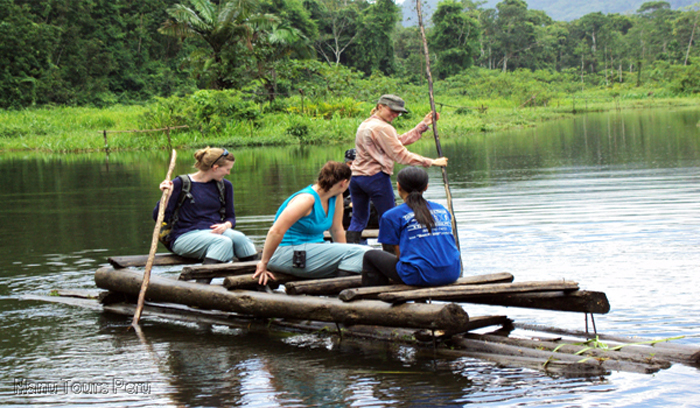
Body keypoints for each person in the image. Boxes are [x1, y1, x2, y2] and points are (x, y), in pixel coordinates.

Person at [346, 94, 448, 247]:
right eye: (392, 111)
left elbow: (397, 142)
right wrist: (431, 162)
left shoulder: (367, 124)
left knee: (358, 219)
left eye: (398, 112)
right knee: (388, 217)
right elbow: (400, 155)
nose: (395, 115)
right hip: (375, 178)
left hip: (357, 178)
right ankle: (391, 256)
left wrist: (423, 125)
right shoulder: (382, 127)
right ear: (380, 107)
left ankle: (353, 252)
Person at [253, 161, 372, 285]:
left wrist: (345, 250)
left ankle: (336, 291)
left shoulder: (336, 196)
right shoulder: (306, 200)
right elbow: (275, 231)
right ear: (344, 183)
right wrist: (263, 263)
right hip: (285, 253)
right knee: (362, 253)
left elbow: (336, 229)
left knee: (363, 255)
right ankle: (337, 291)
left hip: (312, 248)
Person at [154, 147, 258, 269]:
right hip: (184, 236)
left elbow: (231, 218)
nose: (228, 173)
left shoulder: (225, 186)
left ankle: (258, 282)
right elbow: (158, 217)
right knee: (223, 243)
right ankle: (201, 283)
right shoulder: (180, 183)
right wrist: (167, 196)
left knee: (240, 238)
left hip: (215, 233)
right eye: (227, 169)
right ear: (215, 167)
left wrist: (226, 225)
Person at [361, 167, 461, 287]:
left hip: (419, 276)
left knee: (370, 256)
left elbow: (401, 256)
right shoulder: (441, 210)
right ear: (426, 187)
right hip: (453, 272)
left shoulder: (391, 215)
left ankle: (375, 300)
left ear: (398, 187)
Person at [342, 148, 379, 231]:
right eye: (350, 163)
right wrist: (348, 203)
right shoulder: (339, 180)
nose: (354, 167)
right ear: (345, 164)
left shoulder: (375, 178)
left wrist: (360, 203)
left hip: (371, 220)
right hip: (346, 220)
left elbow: (388, 200)